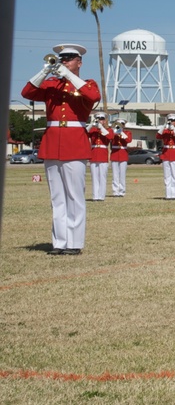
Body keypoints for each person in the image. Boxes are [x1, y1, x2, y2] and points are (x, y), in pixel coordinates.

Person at [21, 43, 101, 255]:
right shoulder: (51, 84)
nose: (64, 61)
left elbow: (93, 97)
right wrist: (45, 70)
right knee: (57, 197)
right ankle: (59, 242)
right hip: (52, 143)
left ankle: (74, 243)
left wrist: (68, 75)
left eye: (69, 58)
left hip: (74, 143)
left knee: (74, 196)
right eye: (62, 58)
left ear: (79, 62)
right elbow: (27, 92)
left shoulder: (86, 83)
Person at [156, 115, 175, 200]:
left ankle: (174, 195)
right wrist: (164, 126)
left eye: (173, 120)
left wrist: (173, 129)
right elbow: (158, 136)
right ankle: (168, 195)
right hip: (166, 154)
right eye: (170, 120)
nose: (171, 121)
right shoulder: (164, 131)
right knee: (167, 176)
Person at [86, 112, 111, 201]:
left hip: (103, 155)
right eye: (98, 119)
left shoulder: (108, 130)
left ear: (104, 121)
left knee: (102, 177)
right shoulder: (92, 130)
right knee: (94, 177)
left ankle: (101, 196)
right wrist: (91, 124)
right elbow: (84, 133)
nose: (100, 121)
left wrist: (101, 127)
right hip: (93, 155)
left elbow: (110, 136)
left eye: (102, 119)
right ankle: (95, 196)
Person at [109, 118, 133, 197]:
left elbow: (129, 140)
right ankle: (115, 191)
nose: (119, 126)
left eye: (121, 125)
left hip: (123, 154)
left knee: (122, 175)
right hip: (115, 154)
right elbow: (110, 137)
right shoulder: (113, 132)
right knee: (115, 175)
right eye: (118, 124)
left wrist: (121, 132)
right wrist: (115, 131)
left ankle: (122, 191)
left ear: (123, 125)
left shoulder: (127, 132)